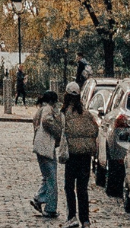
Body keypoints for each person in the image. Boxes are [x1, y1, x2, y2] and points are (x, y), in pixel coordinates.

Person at [60, 87, 97, 225]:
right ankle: (85, 219)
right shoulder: (87, 114)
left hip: (72, 155)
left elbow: (60, 132)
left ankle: (72, 217)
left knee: (69, 187)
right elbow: (95, 130)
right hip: (85, 155)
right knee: (82, 188)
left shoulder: (64, 114)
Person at [31, 90, 61, 219]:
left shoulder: (41, 109)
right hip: (46, 147)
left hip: (39, 146)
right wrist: (58, 132)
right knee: (52, 178)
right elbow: (47, 121)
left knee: (47, 176)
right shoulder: (48, 110)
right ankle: (50, 208)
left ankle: (39, 198)